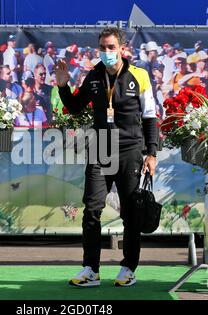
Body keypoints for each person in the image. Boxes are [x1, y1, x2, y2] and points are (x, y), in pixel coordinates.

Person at [56, 27, 158, 287]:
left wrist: (151, 153)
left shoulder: (140, 76)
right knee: (92, 210)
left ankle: (128, 268)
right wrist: (63, 85)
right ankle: (90, 269)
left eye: (111, 47)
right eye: (102, 47)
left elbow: (149, 117)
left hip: (131, 149)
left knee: (130, 214)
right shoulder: (93, 76)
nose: (107, 52)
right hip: (101, 147)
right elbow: (75, 108)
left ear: (122, 49)